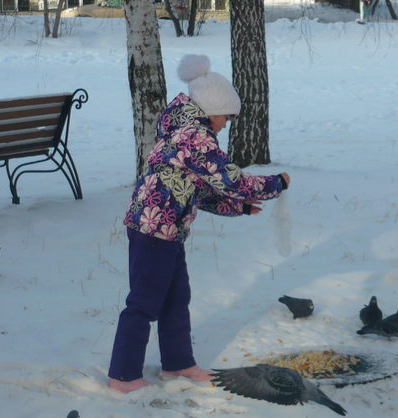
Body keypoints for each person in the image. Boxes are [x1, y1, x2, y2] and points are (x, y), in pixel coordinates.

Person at [108, 54, 290, 393]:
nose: (226, 124)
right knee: (144, 302)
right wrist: (275, 183)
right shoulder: (194, 135)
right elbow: (229, 179)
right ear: (212, 109)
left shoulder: (185, 130)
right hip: (152, 228)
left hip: (167, 227)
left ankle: (178, 365)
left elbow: (196, 190)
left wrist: (237, 208)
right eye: (226, 117)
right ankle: (122, 375)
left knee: (176, 297)